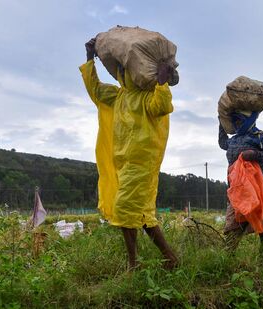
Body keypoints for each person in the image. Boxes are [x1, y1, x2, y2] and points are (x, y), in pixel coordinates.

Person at [80, 38, 178, 270]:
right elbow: (95, 90)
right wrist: (89, 58)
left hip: (143, 163)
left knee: (125, 209)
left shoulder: (148, 97)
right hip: (123, 164)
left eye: (126, 69)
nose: (124, 72)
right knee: (141, 214)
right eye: (122, 69)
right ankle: (170, 258)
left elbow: (162, 107)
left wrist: (162, 82)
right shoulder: (119, 96)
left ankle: (133, 264)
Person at [218, 111, 263, 251]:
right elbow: (223, 143)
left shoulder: (259, 136)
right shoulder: (233, 139)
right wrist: (221, 123)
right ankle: (226, 260)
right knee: (233, 226)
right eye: (235, 121)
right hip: (238, 189)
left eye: (240, 120)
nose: (237, 123)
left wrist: (255, 154)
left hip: (259, 188)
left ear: (248, 120)